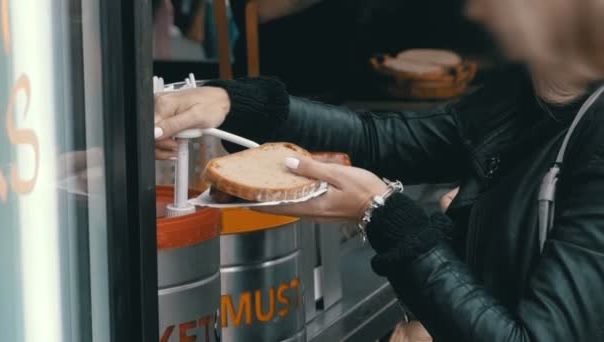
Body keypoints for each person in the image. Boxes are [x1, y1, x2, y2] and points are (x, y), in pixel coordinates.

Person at [154, 0, 604, 340]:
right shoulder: (532, 91)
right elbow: (384, 140)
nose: (477, 10)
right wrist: (239, 104)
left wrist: (379, 211)